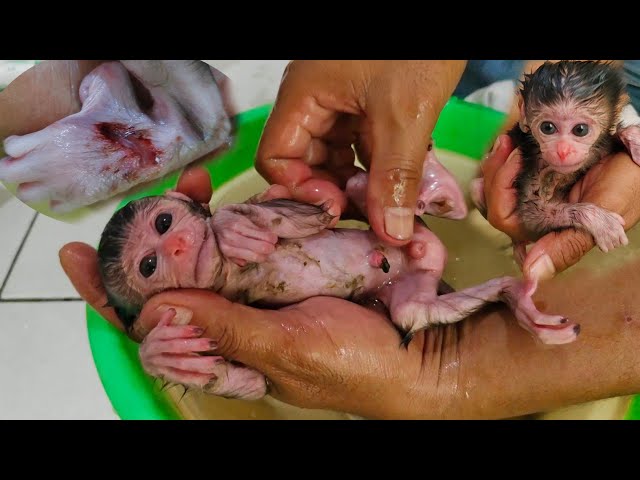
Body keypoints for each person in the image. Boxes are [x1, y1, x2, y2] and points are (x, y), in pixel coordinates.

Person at [3, 60, 640, 419]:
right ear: (152, 306)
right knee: (417, 297)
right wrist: (173, 360)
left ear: (179, 201)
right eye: (150, 265)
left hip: (408, 253)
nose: (171, 249)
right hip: (397, 302)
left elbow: (319, 208)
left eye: (165, 225)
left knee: (354, 191)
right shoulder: (198, 323)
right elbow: (251, 383)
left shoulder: (236, 219)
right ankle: (505, 291)